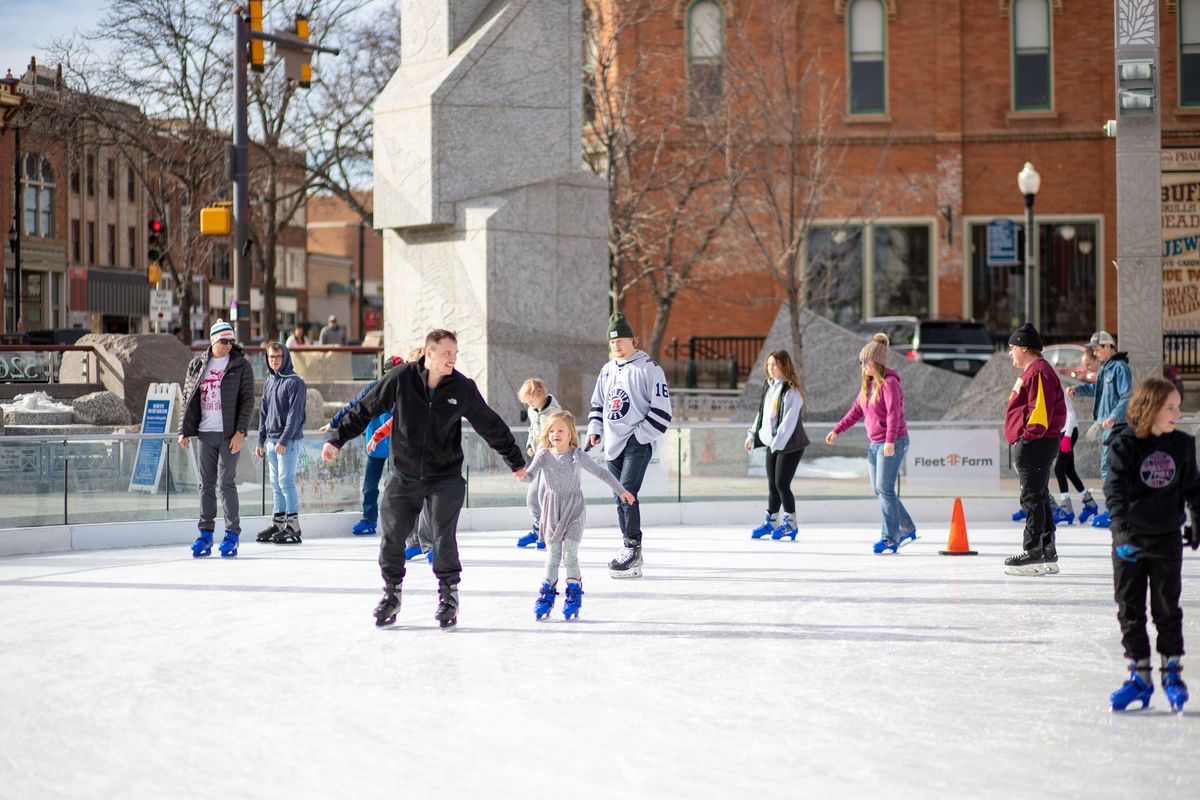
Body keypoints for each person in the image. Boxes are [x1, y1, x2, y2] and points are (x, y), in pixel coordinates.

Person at [322, 329, 526, 630]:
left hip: (445, 477)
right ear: (429, 354)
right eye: (446, 354)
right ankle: (391, 594)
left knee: (442, 537)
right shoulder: (401, 379)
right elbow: (366, 408)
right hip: (403, 476)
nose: (452, 360)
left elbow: (490, 424)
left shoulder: (462, 387)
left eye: (455, 354)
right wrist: (337, 439)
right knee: (392, 537)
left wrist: (515, 460)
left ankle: (448, 596)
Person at [1105, 377, 1198, 712]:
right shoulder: (1124, 445)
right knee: (1129, 609)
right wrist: (1120, 533)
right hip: (1130, 539)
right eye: (1170, 407)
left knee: (1166, 609)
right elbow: (1114, 492)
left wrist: (1196, 518)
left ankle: (1171, 674)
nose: (1178, 412)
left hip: (1166, 539)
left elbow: (1193, 489)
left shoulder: (1183, 445)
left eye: (1177, 405)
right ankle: (1139, 678)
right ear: (1150, 408)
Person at [520, 410, 636, 621]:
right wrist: (519, 472)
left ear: (570, 433)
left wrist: (622, 491)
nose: (556, 434)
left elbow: (602, 473)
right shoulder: (543, 455)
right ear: (547, 433)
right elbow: (529, 477)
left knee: (570, 554)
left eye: (561, 430)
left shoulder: (577, 455)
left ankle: (573, 595)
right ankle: (546, 595)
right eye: (552, 430)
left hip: (574, 509)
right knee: (553, 556)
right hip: (552, 510)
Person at [586, 312, 672, 579]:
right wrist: (595, 430)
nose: (617, 346)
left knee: (627, 493)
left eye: (621, 340)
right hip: (612, 444)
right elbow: (599, 404)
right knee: (618, 496)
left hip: (637, 442)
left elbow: (662, 410)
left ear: (633, 340)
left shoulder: (648, 367)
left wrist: (640, 436)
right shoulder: (607, 369)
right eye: (612, 342)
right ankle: (629, 546)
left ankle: (632, 548)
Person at [825, 334, 916, 553]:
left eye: (866, 361)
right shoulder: (869, 385)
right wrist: (837, 429)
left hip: (892, 442)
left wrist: (890, 441)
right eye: (862, 362)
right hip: (875, 443)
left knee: (885, 489)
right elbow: (855, 411)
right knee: (881, 491)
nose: (863, 365)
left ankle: (890, 538)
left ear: (877, 362)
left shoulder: (890, 384)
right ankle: (907, 527)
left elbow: (894, 414)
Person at [178, 319, 255, 558]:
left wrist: (241, 432)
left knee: (226, 483)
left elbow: (247, 401)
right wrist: (183, 429)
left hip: (229, 434)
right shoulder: (198, 364)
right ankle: (205, 533)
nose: (228, 345)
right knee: (206, 485)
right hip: (205, 433)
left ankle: (232, 534)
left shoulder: (241, 365)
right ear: (212, 340)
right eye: (223, 340)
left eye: (231, 341)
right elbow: (188, 398)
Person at [1002, 323, 1067, 576]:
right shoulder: (1033, 371)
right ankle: (1047, 551)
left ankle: (1033, 552)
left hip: (1036, 443)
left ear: (1025, 348)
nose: (1010, 353)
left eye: (1012, 348)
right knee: (1038, 496)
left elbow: (1039, 412)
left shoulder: (1038, 372)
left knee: (1031, 497)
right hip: (1037, 443)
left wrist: (1027, 439)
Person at [1067, 330, 1132, 528]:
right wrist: (1078, 390)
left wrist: (1113, 416)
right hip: (1108, 426)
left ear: (1109, 346)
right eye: (1094, 349)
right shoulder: (1106, 368)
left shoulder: (1120, 368)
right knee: (1110, 469)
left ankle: (1116, 512)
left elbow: (1126, 395)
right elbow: (1098, 390)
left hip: (1117, 427)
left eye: (1097, 349)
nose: (1095, 353)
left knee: (1110, 469)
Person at [744, 350, 809, 541]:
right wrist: (752, 435)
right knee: (773, 485)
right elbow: (762, 415)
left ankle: (790, 524)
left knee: (782, 484)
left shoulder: (792, 391)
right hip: (773, 443)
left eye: (775, 365)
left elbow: (788, 423)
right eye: (769, 364)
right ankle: (772, 521)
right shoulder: (769, 386)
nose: (771, 368)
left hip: (790, 444)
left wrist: (776, 443)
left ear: (784, 366)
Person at [253, 343, 307, 544]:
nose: (274, 360)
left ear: (285, 358)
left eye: (278, 356)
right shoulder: (270, 381)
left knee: (286, 481)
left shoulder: (295, 382)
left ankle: (293, 526)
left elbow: (295, 415)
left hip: (288, 441)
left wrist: (284, 440)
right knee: (276, 484)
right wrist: (260, 439)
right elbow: (263, 412)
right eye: (270, 357)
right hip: (271, 441)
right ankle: (278, 522)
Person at [515, 378, 560, 549]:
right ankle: (537, 528)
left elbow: (559, 436)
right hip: (537, 459)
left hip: (551, 460)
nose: (527, 403)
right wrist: (529, 443)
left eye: (530, 399)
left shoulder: (554, 412)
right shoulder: (532, 410)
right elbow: (532, 428)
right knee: (532, 496)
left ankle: (548, 532)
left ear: (539, 394)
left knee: (544, 495)